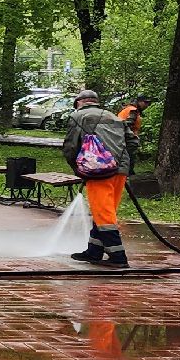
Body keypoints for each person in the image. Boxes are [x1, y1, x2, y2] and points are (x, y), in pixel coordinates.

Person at [62, 89, 130, 268]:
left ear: (79, 102)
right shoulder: (114, 117)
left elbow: (70, 146)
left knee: (103, 213)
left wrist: (79, 169)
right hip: (120, 171)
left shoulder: (79, 116)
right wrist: (124, 165)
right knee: (105, 210)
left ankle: (118, 256)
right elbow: (132, 142)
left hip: (99, 171)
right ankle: (94, 251)